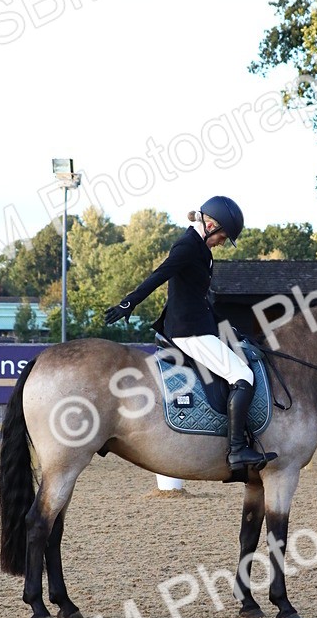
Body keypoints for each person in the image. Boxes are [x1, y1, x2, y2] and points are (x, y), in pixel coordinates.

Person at [104, 197, 270, 471]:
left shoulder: (201, 249)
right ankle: (237, 450)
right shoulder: (187, 246)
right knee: (242, 375)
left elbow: (200, 299)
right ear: (210, 224)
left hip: (199, 324)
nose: (221, 241)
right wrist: (129, 302)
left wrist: (231, 332)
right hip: (188, 330)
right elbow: (160, 275)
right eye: (222, 236)